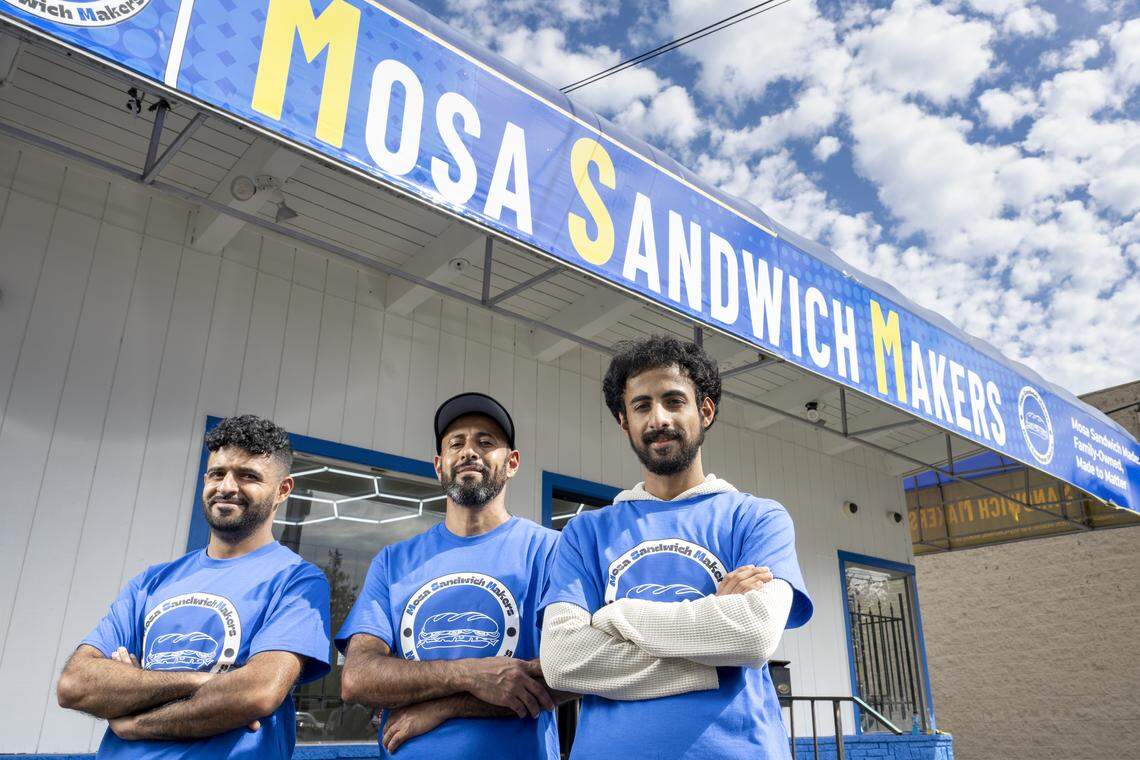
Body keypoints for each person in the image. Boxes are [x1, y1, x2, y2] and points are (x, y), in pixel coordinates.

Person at [539, 335, 814, 759]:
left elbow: (755, 634)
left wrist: (616, 617)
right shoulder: (586, 533)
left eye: (673, 401)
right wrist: (713, 646)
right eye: (642, 406)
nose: (658, 418)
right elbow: (562, 660)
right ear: (624, 421)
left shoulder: (757, 517)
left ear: (705, 411)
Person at [56, 414, 332, 758]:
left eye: (248, 476)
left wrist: (136, 718)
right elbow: (76, 684)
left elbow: (257, 692)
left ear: (282, 490)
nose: (227, 487)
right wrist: (203, 681)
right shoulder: (152, 581)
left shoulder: (296, 581)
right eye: (218, 473)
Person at [337, 392, 570, 758]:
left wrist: (444, 706)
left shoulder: (551, 551)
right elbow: (358, 678)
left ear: (512, 462)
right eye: (456, 443)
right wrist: (468, 675)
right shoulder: (393, 562)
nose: (468, 451)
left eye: (485, 441)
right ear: (439, 464)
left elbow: (572, 671)